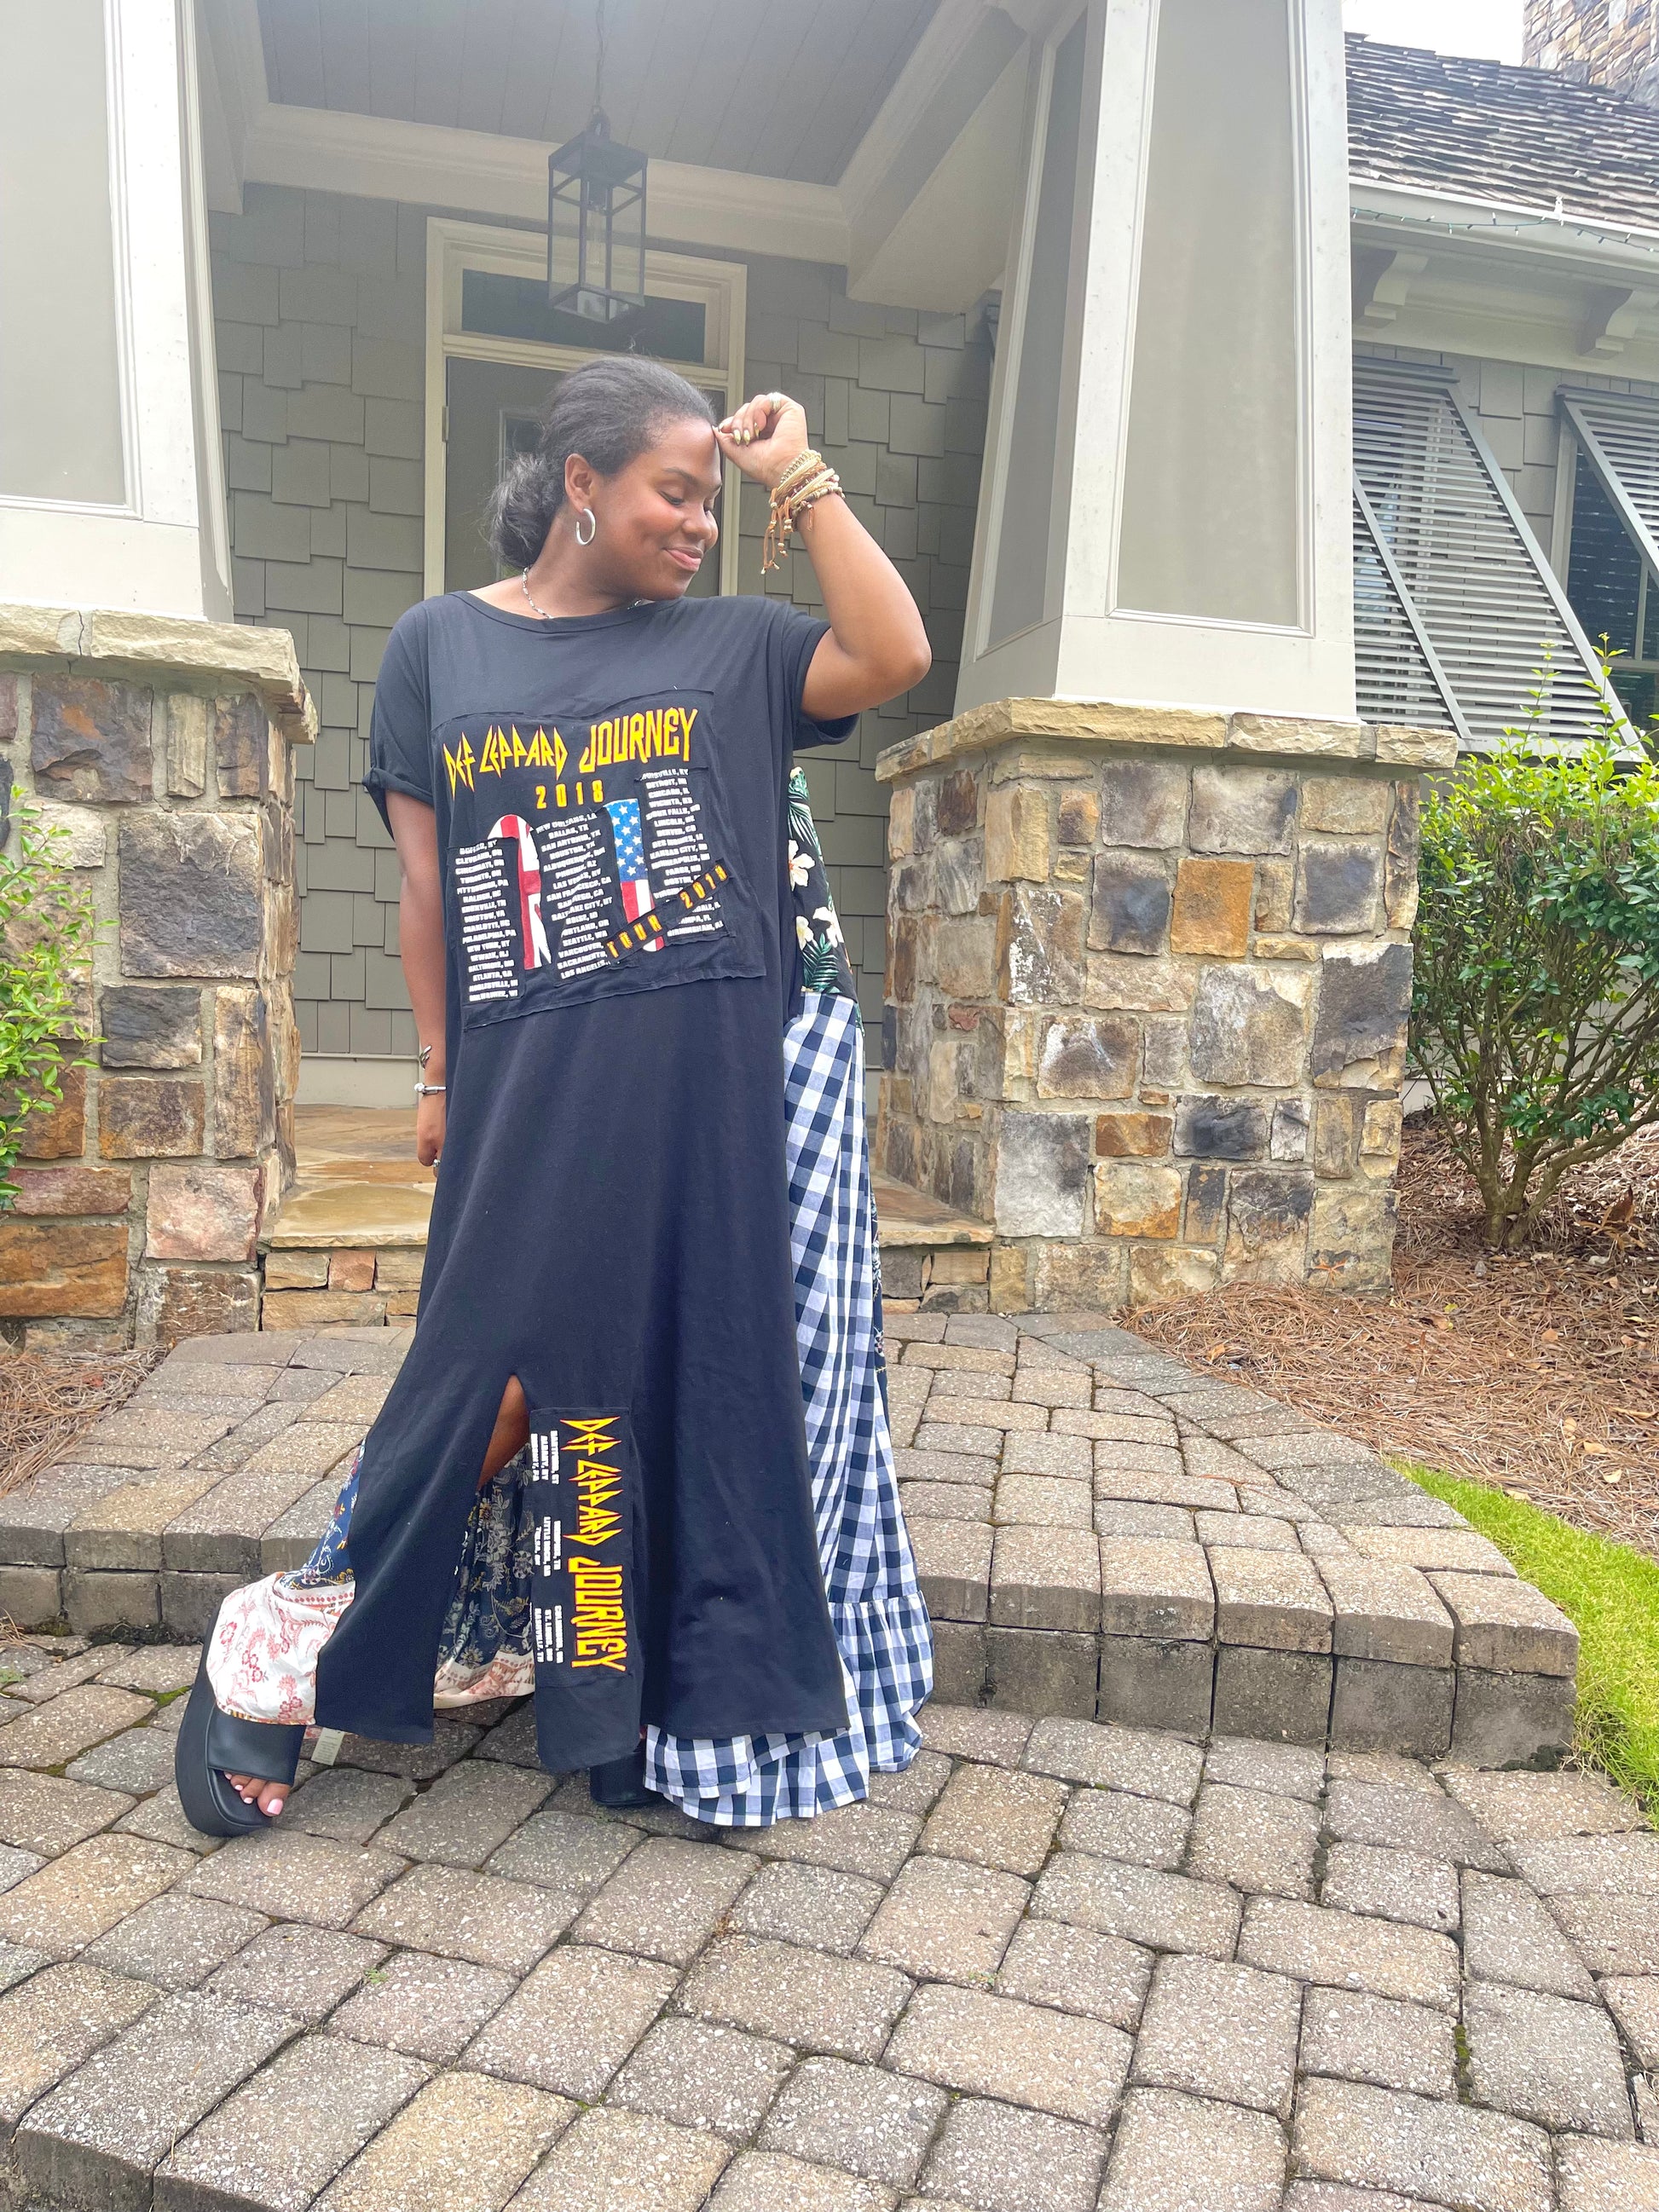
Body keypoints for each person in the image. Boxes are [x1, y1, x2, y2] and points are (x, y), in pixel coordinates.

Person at [176, 357, 936, 1832]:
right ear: (579, 483)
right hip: (529, 1078)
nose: (698, 524)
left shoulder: (729, 643)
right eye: (674, 492)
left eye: (711, 501)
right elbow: (425, 887)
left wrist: (797, 475)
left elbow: (891, 652)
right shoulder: (439, 645)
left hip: (703, 1086)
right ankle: (278, 1639)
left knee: (660, 1382)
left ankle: (623, 1702)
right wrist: (435, 1072)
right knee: (489, 1377)